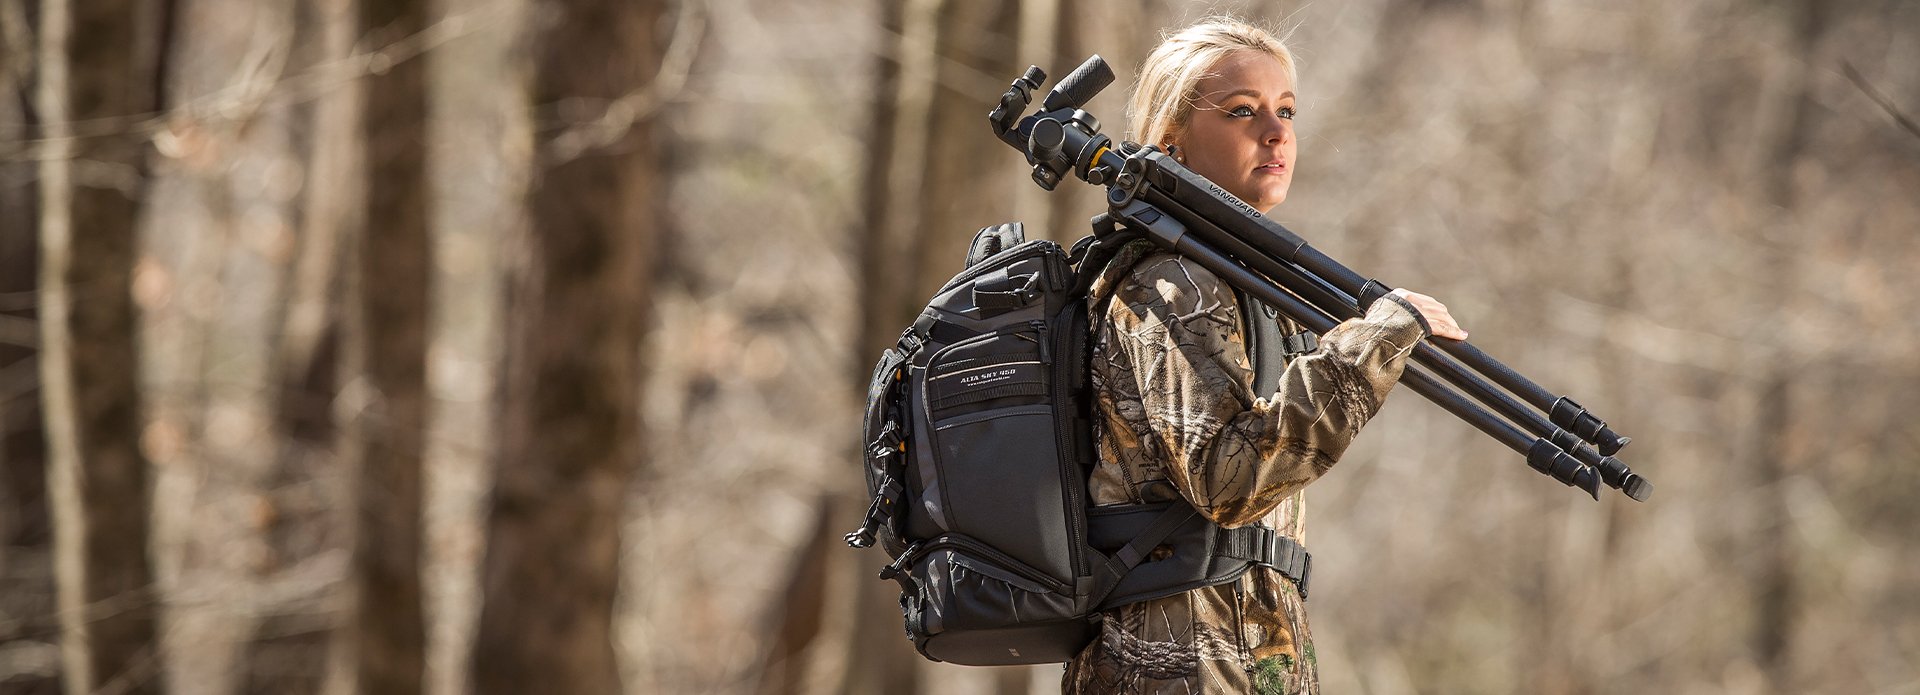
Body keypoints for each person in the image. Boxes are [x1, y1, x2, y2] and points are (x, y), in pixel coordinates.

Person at [1063, 17, 1468, 695]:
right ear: (1174, 144)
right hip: (1177, 669)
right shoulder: (1174, 284)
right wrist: (1371, 343)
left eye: (1285, 111)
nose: (1276, 133)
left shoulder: (1228, 283)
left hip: (1244, 658)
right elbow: (1232, 480)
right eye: (1242, 112)